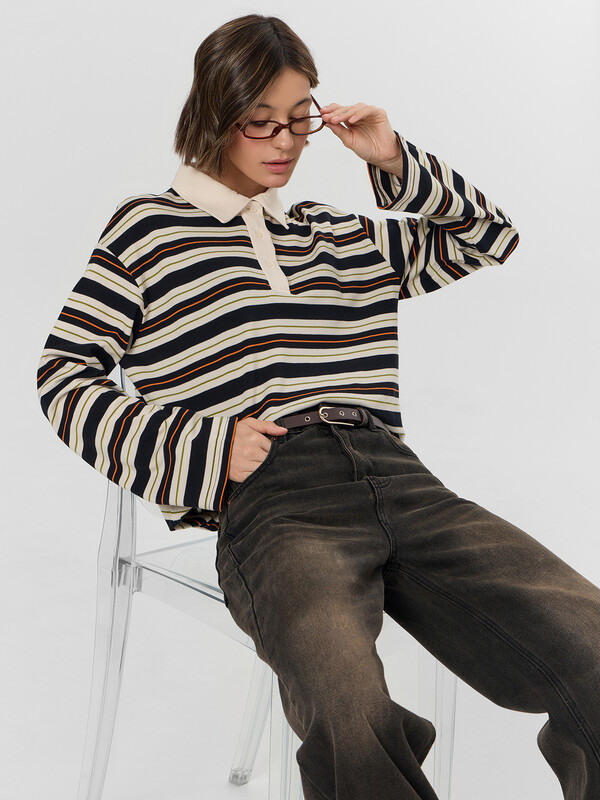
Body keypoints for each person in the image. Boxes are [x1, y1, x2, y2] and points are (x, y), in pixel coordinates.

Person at [37, 13, 600, 800]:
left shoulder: (335, 234)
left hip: (401, 481)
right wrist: (207, 447)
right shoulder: (149, 231)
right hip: (275, 499)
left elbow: (487, 236)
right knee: (348, 707)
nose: (284, 143)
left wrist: (392, 158)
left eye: (299, 120)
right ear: (214, 114)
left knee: (590, 645)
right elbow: (64, 375)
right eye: (259, 121)